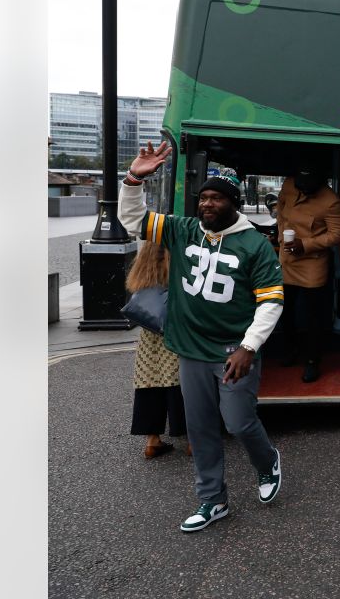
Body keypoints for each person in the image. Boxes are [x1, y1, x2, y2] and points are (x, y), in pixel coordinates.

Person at [120, 142, 285, 533]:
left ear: (234, 203)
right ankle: (212, 499)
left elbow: (272, 301)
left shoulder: (254, 245)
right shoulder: (183, 229)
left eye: (216, 198)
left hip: (232, 350)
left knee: (239, 422)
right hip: (191, 349)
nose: (206, 204)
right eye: (203, 197)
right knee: (200, 428)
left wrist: (249, 346)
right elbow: (133, 221)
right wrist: (134, 178)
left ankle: (267, 463)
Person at [276, 165, 340, 383]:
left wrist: (305, 244)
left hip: (312, 264)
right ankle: (290, 350)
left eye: (309, 190)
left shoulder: (330, 201)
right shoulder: (288, 184)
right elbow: (280, 210)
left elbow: (337, 234)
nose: (303, 193)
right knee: (284, 310)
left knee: (313, 316)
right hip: (286, 259)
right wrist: (280, 238)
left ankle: (312, 361)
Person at [126, 240, 187, 459]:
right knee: (178, 382)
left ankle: (152, 441)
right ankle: (191, 440)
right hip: (175, 332)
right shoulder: (179, 264)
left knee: (149, 381)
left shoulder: (144, 265)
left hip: (150, 333)